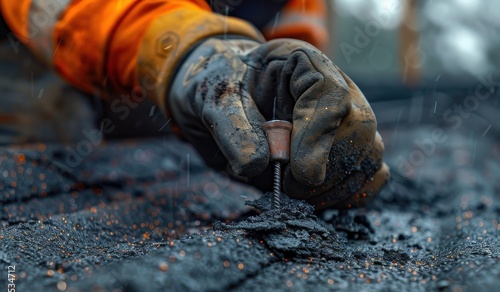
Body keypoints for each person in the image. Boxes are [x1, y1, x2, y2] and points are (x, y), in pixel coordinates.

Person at [0, 0, 389, 209]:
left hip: (172, 64)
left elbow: (291, 20)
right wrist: (188, 54)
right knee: (32, 174)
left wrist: (275, 92)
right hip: (34, 48)